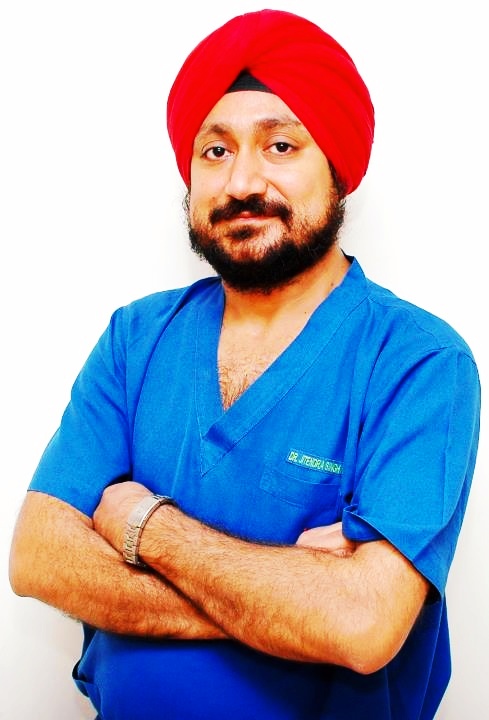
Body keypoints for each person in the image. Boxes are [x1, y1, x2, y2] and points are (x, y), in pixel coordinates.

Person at [9, 8, 480, 720]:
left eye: (280, 145)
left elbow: (361, 625)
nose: (241, 182)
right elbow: (38, 556)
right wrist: (291, 605)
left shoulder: (418, 362)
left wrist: (141, 524)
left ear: (337, 172)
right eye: (215, 151)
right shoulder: (137, 338)